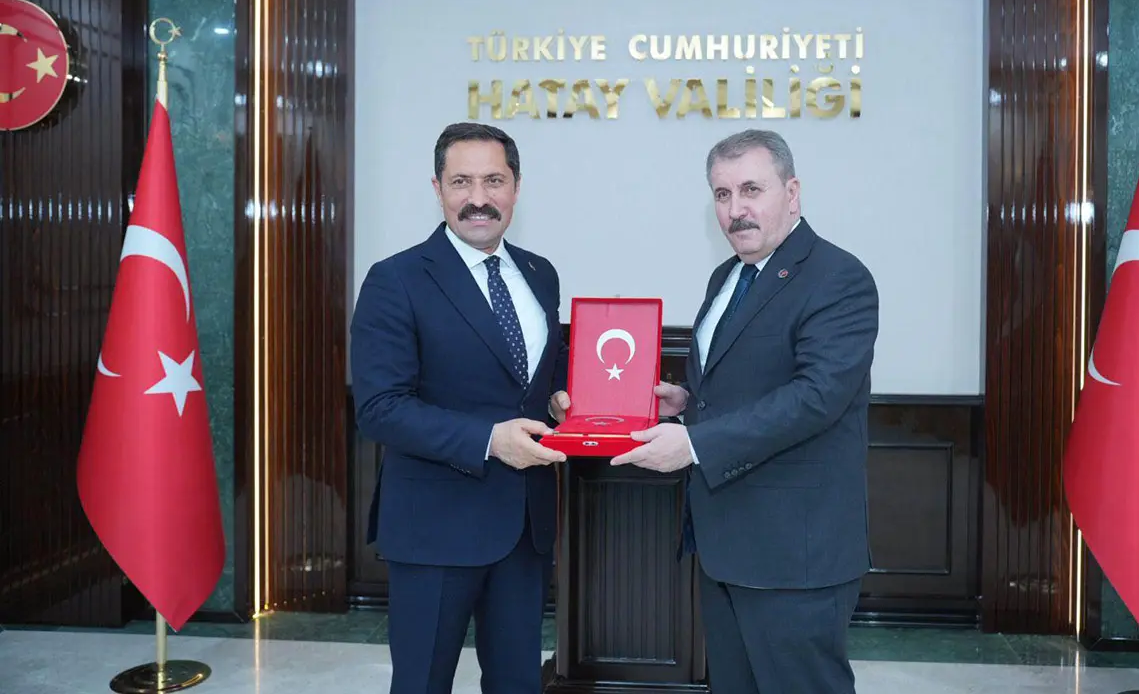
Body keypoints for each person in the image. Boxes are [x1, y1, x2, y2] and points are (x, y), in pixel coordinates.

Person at [611, 128, 879, 694]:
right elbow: (749, 381)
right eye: (723, 194)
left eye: (752, 189)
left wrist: (695, 444)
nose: (736, 209)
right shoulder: (728, 276)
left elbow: (816, 396)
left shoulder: (838, 277)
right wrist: (687, 404)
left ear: (792, 193)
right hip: (726, 544)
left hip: (795, 554)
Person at [350, 121, 572, 694]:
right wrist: (490, 440)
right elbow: (380, 408)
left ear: (516, 187)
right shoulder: (395, 280)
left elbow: (536, 373)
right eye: (461, 182)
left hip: (524, 529)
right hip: (434, 529)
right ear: (438, 188)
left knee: (518, 683)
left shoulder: (539, 273)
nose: (478, 198)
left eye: (493, 180)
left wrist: (562, 395)